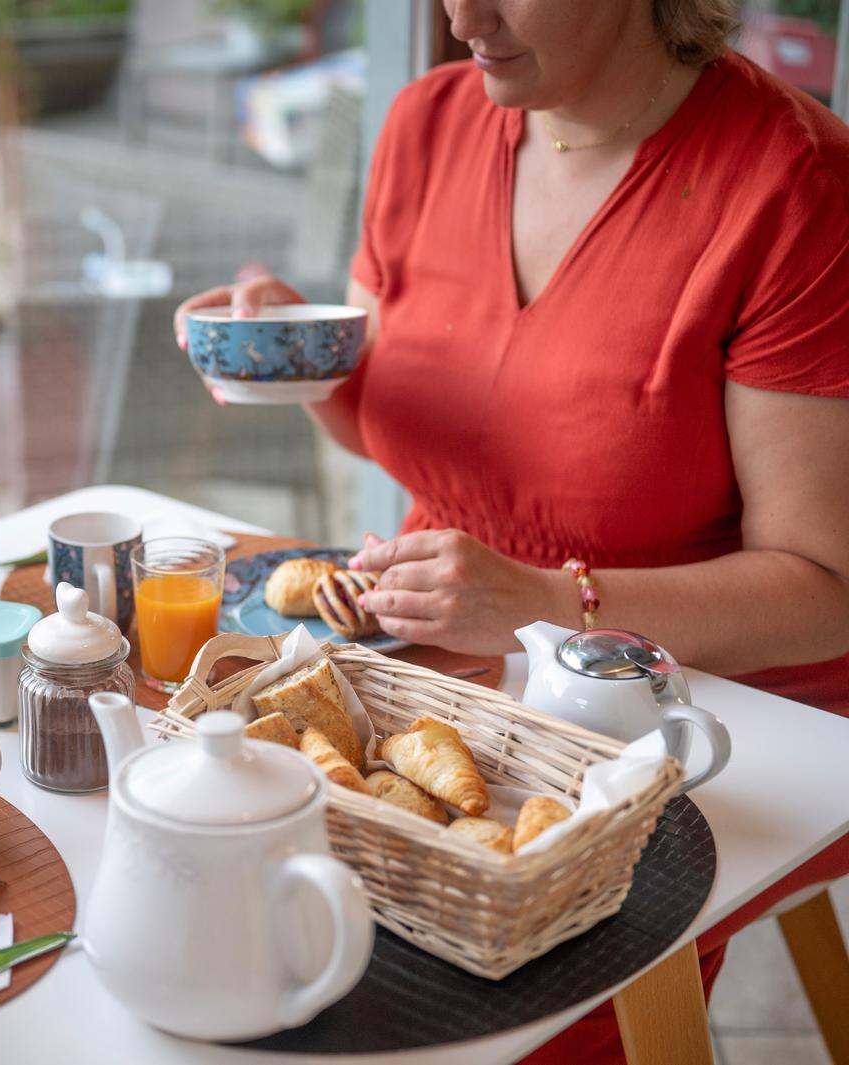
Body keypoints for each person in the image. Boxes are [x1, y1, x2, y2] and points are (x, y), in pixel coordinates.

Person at [177, 0, 849, 1060]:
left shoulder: (792, 184)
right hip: (434, 666)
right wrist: (287, 343)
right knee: (236, 908)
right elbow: (382, 427)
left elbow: (821, 586)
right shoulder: (422, 125)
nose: (459, 15)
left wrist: (543, 604)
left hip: (695, 717)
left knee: (492, 996)